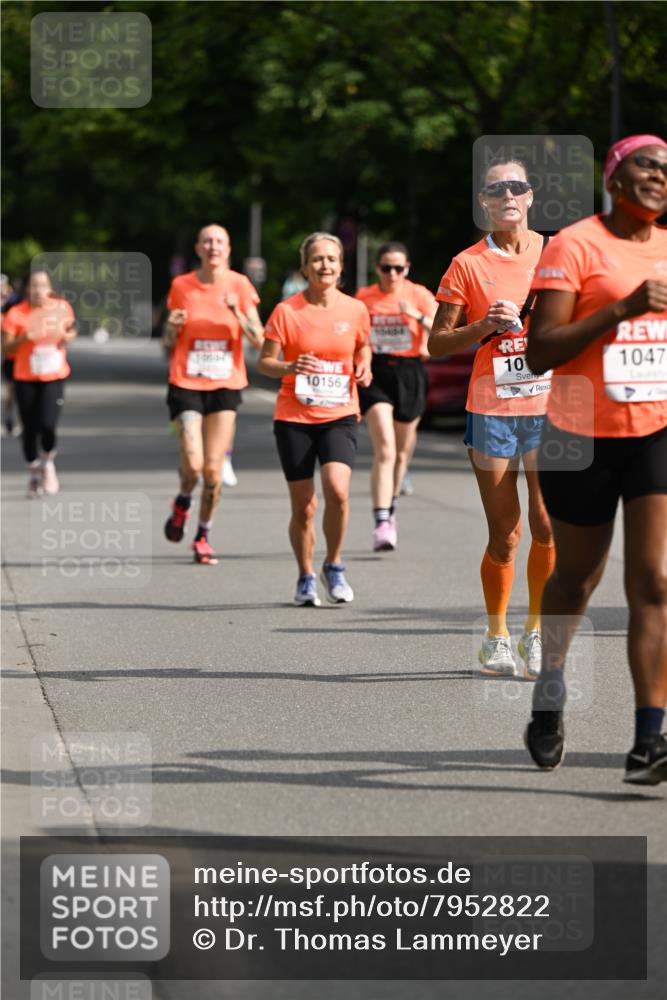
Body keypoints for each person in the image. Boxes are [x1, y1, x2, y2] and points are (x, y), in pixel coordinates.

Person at [523, 135, 667, 785]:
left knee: (654, 582)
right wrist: (623, 308)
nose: (658, 174)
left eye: (665, 168)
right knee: (576, 579)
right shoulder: (574, 245)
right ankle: (550, 688)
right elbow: (540, 351)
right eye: (645, 163)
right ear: (613, 179)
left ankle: (648, 740)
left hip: (654, 430)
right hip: (576, 434)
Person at [429, 159, 554, 679]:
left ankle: (536, 631)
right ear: (483, 201)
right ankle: (496, 635)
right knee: (506, 533)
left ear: (530, 196)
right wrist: (482, 325)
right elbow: (437, 344)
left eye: (516, 187)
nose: (507, 195)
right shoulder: (466, 264)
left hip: (550, 407)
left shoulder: (559, 253)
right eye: (496, 189)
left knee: (548, 525)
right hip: (492, 410)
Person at [258, 232, 371, 605]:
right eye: (318, 259)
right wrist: (290, 366)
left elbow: (362, 346)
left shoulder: (355, 309)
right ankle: (305, 575)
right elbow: (265, 362)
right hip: (294, 416)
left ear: (341, 266)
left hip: (340, 413)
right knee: (304, 507)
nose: (325, 265)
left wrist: (365, 364)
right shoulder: (286, 312)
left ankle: (333, 565)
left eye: (332, 259)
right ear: (305, 267)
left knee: (337, 490)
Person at [162, 224, 264, 564]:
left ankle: (202, 535)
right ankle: (182, 500)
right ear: (198, 248)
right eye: (207, 241)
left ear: (228, 248)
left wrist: (238, 312)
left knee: (213, 471)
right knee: (192, 466)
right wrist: (172, 328)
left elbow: (259, 340)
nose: (213, 246)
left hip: (225, 385)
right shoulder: (182, 286)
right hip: (187, 383)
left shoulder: (240, 285)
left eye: (219, 241)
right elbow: (168, 342)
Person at [356, 242, 436, 550]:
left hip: (410, 372)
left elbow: (442, 327)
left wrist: (416, 316)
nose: (392, 274)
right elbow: (354, 333)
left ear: (407, 268)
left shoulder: (418, 295)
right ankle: (381, 521)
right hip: (376, 372)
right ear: (377, 268)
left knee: (402, 453)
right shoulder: (364, 297)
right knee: (386, 451)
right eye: (386, 268)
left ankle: (391, 508)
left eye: (398, 268)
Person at [1, 270, 76, 496]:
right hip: (26, 377)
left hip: (54, 374)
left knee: (48, 425)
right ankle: (34, 473)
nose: (38, 290)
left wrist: (68, 337)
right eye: (34, 285)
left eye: (43, 285)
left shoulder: (62, 308)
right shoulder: (16, 313)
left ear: (50, 288)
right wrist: (24, 338)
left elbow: (71, 329)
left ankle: (48, 463)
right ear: (27, 288)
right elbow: (5, 348)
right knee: (30, 429)